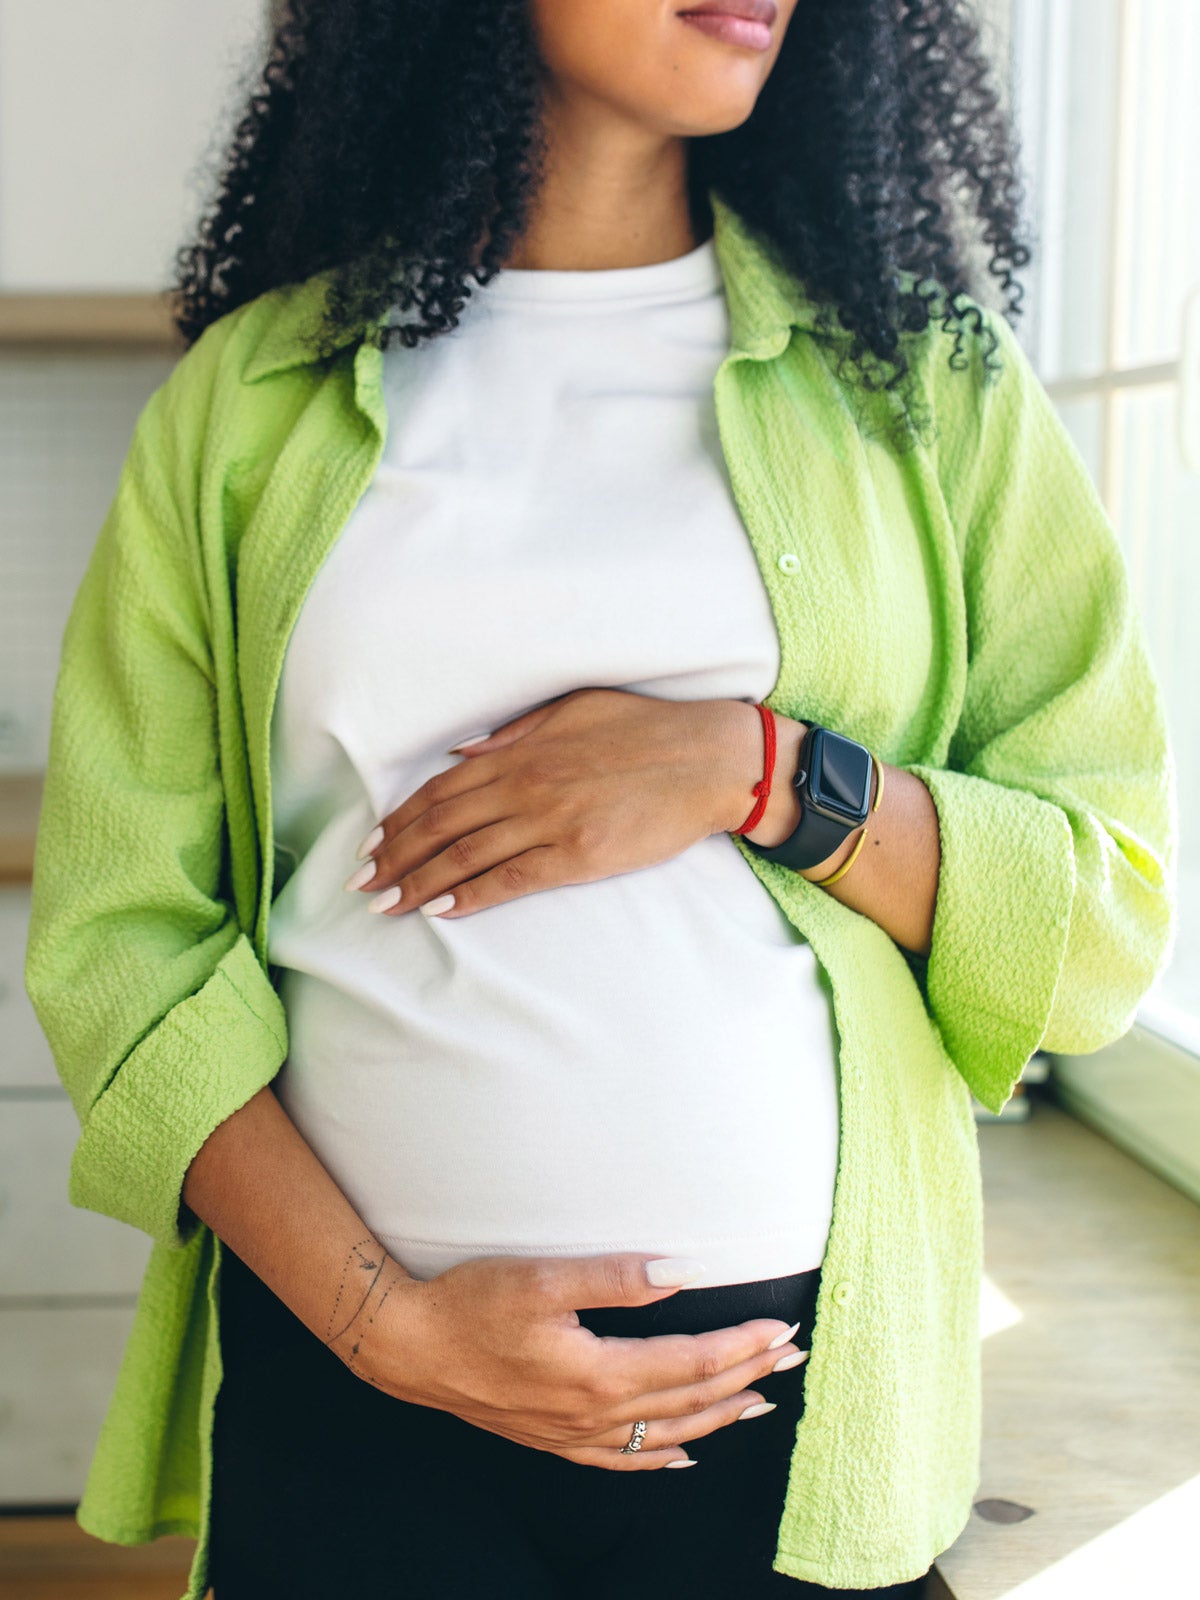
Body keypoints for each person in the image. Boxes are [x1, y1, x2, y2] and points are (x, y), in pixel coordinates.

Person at [24, 1, 1176, 1596]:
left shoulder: (924, 384)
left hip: (792, 1415)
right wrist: (385, 1324)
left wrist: (756, 771)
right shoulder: (254, 398)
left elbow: (1103, 917)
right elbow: (122, 941)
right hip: (357, 1388)